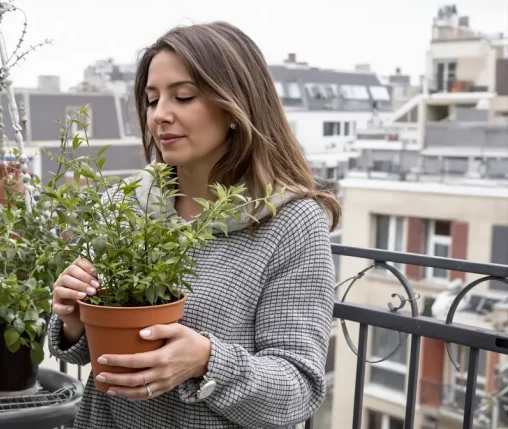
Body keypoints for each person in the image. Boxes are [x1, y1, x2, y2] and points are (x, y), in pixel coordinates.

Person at [48, 21, 339, 429]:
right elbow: (89, 351)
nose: (159, 115)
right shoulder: (128, 203)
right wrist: (74, 320)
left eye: (183, 96)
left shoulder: (291, 222)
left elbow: (298, 391)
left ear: (235, 105)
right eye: (152, 100)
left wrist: (206, 361)